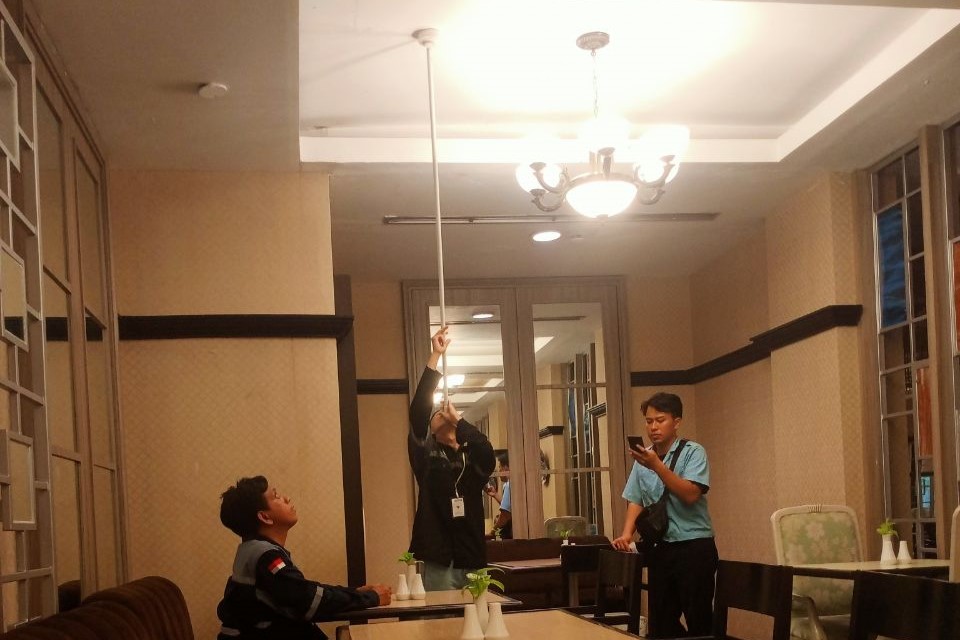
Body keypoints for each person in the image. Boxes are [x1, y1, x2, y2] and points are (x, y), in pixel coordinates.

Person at [216, 476, 391, 640]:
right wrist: (372, 598)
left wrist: (355, 592)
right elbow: (309, 600)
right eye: (276, 497)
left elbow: (305, 591)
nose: (286, 498)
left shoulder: (254, 550)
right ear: (265, 517)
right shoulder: (266, 557)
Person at [612, 392, 717, 639]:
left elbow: (691, 494)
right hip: (661, 548)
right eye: (649, 421)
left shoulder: (693, 452)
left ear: (676, 422)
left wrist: (657, 466)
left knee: (699, 620)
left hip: (694, 546)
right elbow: (636, 498)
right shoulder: (644, 457)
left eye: (660, 420)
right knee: (661, 623)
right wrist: (627, 534)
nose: (653, 427)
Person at [408, 326, 496, 590]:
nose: (441, 412)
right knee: (442, 613)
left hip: (471, 552)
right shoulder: (426, 452)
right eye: (437, 413)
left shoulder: (471, 455)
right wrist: (435, 355)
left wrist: (459, 421)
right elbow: (418, 412)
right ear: (431, 428)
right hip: (438, 554)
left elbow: (487, 453)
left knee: (476, 611)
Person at [486, 452, 512, 539]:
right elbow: (509, 507)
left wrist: (492, 532)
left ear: (506, 467)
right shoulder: (511, 484)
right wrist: (495, 494)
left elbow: (505, 514)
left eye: (500, 467)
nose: (499, 470)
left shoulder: (509, 485)